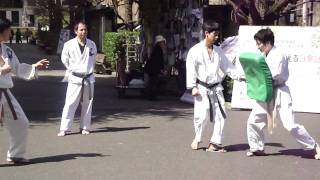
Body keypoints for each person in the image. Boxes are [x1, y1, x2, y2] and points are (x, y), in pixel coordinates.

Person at [246, 28, 320, 159]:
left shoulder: (279, 54)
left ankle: (314, 146)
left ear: (268, 42)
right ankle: (257, 147)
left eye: (259, 43)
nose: (257, 47)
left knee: (289, 125)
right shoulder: (263, 55)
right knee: (253, 121)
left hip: (280, 92)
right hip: (266, 92)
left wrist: (255, 77)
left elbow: (274, 75)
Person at [186, 20, 244, 152]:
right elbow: (191, 69)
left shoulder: (218, 51)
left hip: (216, 88)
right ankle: (198, 137)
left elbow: (227, 67)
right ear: (206, 34)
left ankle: (215, 143)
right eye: (215, 34)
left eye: (218, 34)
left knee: (221, 115)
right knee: (201, 116)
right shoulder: (194, 51)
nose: (217, 37)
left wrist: (239, 76)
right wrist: (192, 86)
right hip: (201, 88)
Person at [0, 18, 49, 164]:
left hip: (5, 93)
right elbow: (4, 70)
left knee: (20, 122)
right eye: (9, 30)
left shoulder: (7, 50)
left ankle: (16, 154)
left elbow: (18, 67)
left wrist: (34, 67)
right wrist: (1, 71)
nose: (11, 32)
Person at [57, 21, 97, 137]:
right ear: (75, 31)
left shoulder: (91, 44)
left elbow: (93, 60)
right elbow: (65, 59)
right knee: (70, 103)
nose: (83, 32)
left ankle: (85, 127)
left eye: (85, 30)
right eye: (81, 30)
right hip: (75, 77)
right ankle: (64, 128)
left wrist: (88, 70)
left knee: (87, 104)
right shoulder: (69, 44)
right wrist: (72, 69)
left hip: (88, 78)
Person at [144, 35, 166, 100]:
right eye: (162, 42)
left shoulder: (156, 48)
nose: (163, 43)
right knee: (153, 82)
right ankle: (152, 96)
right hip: (153, 69)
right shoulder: (158, 49)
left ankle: (151, 95)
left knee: (152, 82)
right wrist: (161, 69)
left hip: (152, 68)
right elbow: (158, 61)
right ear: (160, 42)